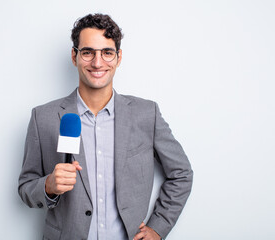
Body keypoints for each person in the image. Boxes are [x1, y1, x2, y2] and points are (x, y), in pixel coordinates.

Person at [18, 13, 193, 240]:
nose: (97, 63)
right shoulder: (43, 117)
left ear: (118, 58)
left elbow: (181, 173)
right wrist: (48, 185)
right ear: (74, 56)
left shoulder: (146, 114)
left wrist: (158, 228)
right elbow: (25, 188)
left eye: (107, 53)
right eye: (88, 52)